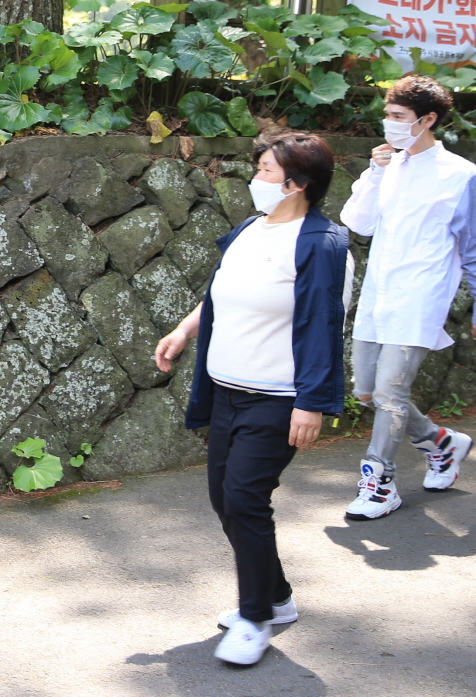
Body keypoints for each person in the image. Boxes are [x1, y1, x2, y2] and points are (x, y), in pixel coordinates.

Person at [154, 132, 351, 667]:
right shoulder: (249, 229)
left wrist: (311, 402)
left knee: (244, 498)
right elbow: (222, 292)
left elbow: (322, 326)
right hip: (225, 390)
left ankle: (254, 616)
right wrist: (184, 330)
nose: (255, 180)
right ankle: (278, 597)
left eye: (265, 171)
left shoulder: (321, 244)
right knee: (225, 498)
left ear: (297, 185)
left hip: (278, 398)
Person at [339, 74, 476, 519]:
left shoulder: (461, 176)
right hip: (379, 294)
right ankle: (442, 443)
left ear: (428, 120)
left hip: (421, 298)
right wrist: (375, 172)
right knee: (367, 391)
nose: (389, 124)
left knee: (392, 394)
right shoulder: (389, 167)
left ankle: (379, 483)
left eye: (399, 116)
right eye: (388, 114)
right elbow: (358, 222)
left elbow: (473, 248)